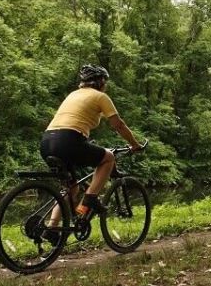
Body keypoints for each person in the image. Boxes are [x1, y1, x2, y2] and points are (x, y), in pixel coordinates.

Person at [40, 64, 142, 244]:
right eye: (106, 82)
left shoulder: (73, 95)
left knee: (71, 188)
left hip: (48, 141)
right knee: (108, 158)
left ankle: (52, 227)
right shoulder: (100, 96)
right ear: (101, 82)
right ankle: (91, 198)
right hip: (69, 140)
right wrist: (134, 144)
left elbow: (74, 120)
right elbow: (118, 125)